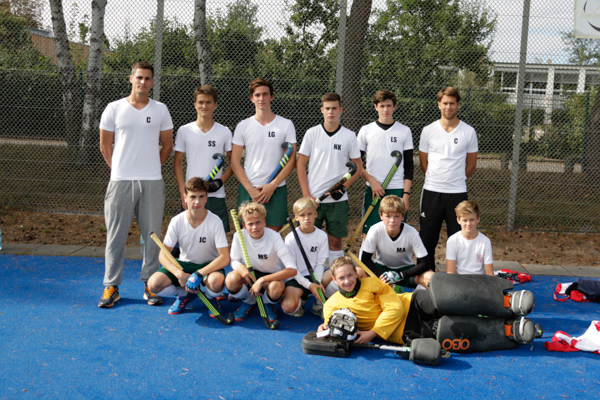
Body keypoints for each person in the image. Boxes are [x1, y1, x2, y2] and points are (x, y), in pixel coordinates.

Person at [316, 257, 535, 348]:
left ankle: (507, 302)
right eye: (341, 278)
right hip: (404, 331)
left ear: (356, 273)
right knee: (448, 330)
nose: (347, 281)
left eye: (350, 275)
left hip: (411, 303)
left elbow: (394, 308)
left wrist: (372, 333)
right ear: (333, 279)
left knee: (446, 299)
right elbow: (331, 325)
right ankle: (508, 330)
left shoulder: (373, 284)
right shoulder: (331, 305)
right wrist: (323, 329)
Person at [98, 61, 173, 308]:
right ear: (131, 78)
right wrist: (119, 170)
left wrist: (152, 168)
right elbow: (105, 146)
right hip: (120, 182)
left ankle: (150, 284)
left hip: (152, 182)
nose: (143, 82)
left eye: (147, 78)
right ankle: (111, 286)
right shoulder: (113, 108)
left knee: (152, 236)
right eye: (139, 77)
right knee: (115, 236)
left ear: (152, 82)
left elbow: (167, 146)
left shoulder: (161, 109)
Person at [144, 178, 230, 316]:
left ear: (207, 197)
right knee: (153, 284)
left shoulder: (215, 221)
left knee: (215, 283)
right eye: (193, 197)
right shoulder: (177, 221)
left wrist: (199, 274)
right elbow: (163, 254)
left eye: (201, 196)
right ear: (185, 197)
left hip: (208, 267)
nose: (197, 202)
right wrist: (180, 275)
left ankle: (211, 297)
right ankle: (184, 294)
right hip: (184, 265)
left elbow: (225, 257)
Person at [297, 92, 363, 264]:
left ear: (341, 110)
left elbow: (358, 167)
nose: (331, 112)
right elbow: (300, 164)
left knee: (335, 241)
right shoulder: (312, 133)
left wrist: (343, 187)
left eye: (334, 108)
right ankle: (309, 274)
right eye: (327, 108)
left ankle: (335, 276)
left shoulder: (349, 135)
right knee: (309, 239)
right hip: (314, 199)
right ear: (322, 110)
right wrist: (306, 195)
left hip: (338, 200)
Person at [419, 87, 478, 270]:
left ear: (458, 105)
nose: (448, 107)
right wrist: (438, 179)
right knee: (427, 238)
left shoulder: (468, 131)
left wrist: (456, 180)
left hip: (457, 194)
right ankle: (426, 276)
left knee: (459, 238)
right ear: (439, 104)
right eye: (445, 103)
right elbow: (423, 163)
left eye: (452, 103)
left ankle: (458, 276)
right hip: (431, 192)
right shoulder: (428, 130)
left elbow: (471, 166)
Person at [231, 78, 296, 232]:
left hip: (276, 188)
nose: (261, 98)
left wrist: (272, 186)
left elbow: (291, 160)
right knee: (249, 234)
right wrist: (250, 190)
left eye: (265, 94)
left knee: (273, 234)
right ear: (252, 98)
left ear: (271, 97)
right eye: (257, 95)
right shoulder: (243, 126)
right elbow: (234, 162)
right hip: (250, 188)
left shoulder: (286, 124)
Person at [173, 85, 233, 232]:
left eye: (208, 102)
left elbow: (234, 163)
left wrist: (220, 181)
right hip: (192, 195)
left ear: (215, 105)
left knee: (217, 237)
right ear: (195, 104)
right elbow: (177, 163)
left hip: (216, 195)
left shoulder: (224, 131)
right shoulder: (184, 130)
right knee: (189, 235)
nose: (204, 106)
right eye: (200, 102)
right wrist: (183, 192)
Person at [226, 201, 297, 322]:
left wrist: (262, 280)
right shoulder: (239, 236)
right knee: (231, 279)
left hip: (270, 279)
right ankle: (249, 301)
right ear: (244, 225)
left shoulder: (274, 236)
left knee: (276, 288)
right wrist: (240, 267)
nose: (254, 227)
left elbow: (292, 270)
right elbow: (234, 261)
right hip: (250, 277)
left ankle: (267, 302)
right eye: (250, 224)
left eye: (258, 222)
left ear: (264, 221)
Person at [357, 90, 413, 235]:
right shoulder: (366, 130)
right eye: (382, 106)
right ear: (375, 107)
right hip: (374, 190)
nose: (385, 110)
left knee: (396, 232)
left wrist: (406, 195)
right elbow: (356, 164)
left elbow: (409, 166)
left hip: (397, 189)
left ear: (395, 106)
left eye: (389, 105)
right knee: (370, 233)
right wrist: (372, 181)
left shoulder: (404, 131)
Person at [359, 195, 433, 290]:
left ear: (402, 216)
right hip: (381, 269)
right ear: (381, 216)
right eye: (388, 216)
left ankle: (419, 297)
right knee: (358, 272)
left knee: (431, 277)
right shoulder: (374, 230)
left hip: (406, 271)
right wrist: (383, 276)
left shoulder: (412, 232)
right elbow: (365, 259)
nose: (392, 221)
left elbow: (425, 263)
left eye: (396, 216)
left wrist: (401, 275)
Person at [281, 198, 330, 318]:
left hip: (315, 276)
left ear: (315, 214)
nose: (306, 218)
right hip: (296, 276)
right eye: (302, 215)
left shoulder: (322, 236)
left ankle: (318, 304)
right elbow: (292, 269)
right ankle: (302, 298)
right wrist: (308, 285)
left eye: (309, 214)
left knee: (335, 274)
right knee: (288, 307)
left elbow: (320, 263)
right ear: (296, 217)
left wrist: (317, 282)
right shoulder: (290, 238)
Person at [446, 200, 494, 276]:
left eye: (472, 220)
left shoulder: (485, 241)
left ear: (478, 219)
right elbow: (450, 273)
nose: (468, 223)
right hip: (458, 281)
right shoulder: (452, 240)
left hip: (478, 281)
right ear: (458, 220)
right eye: (465, 220)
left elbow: (490, 274)